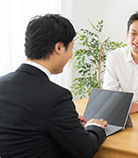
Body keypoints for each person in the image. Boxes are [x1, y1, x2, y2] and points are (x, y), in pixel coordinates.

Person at [0, 14, 108, 158]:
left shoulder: (2, 84)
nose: (71, 55)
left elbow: (24, 125)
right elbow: (85, 149)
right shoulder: (56, 96)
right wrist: (95, 127)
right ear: (59, 47)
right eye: (71, 48)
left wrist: (68, 122)